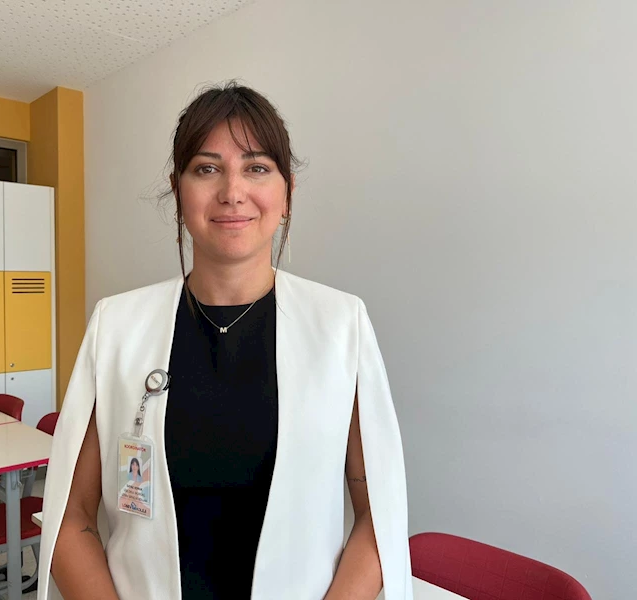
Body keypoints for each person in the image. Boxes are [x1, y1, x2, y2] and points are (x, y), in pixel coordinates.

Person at [39, 82, 413, 600]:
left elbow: (380, 517)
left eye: (256, 167)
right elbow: (70, 517)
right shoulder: (117, 327)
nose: (232, 192)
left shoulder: (339, 325)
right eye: (206, 168)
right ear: (178, 191)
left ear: (287, 193)